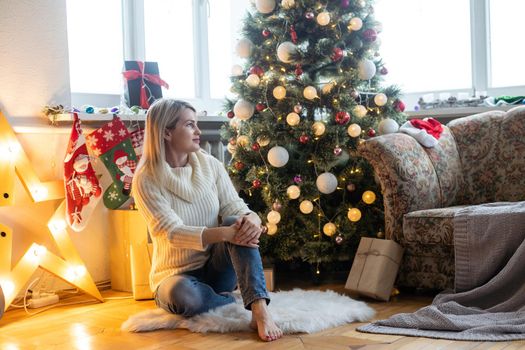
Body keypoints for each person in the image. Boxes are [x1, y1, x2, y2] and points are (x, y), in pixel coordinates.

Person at [132, 98, 283, 342]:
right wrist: (226, 233)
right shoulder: (146, 179)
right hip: (175, 278)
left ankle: (259, 310)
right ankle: (230, 299)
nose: (198, 131)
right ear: (167, 132)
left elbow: (236, 207)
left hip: (216, 268)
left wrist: (252, 220)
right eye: (190, 125)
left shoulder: (211, 165)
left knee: (237, 219)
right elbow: (172, 233)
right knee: (184, 296)